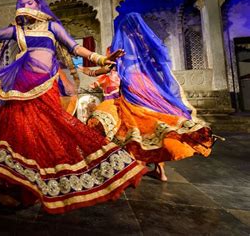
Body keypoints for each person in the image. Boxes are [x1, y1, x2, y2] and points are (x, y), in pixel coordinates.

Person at [0, 0, 146, 214]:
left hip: (44, 88)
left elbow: (74, 47)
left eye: (30, 2)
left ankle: (35, 185)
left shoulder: (51, 27)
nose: (25, 6)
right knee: (16, 132)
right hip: (20, 88)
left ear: (39, 6)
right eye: (22, 3)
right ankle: (13, 186)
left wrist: (101, 58)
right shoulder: (18, 30)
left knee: (44, 132)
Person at [86, 13, 214, 181]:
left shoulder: (118, 46)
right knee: (154, 123)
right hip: (148, 84)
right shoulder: (144, 43)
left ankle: (137, 167)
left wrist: (90, 72)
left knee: (137, 124)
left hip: (132, 85)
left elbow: (109, 68)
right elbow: (159, 60)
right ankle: (161, 172)